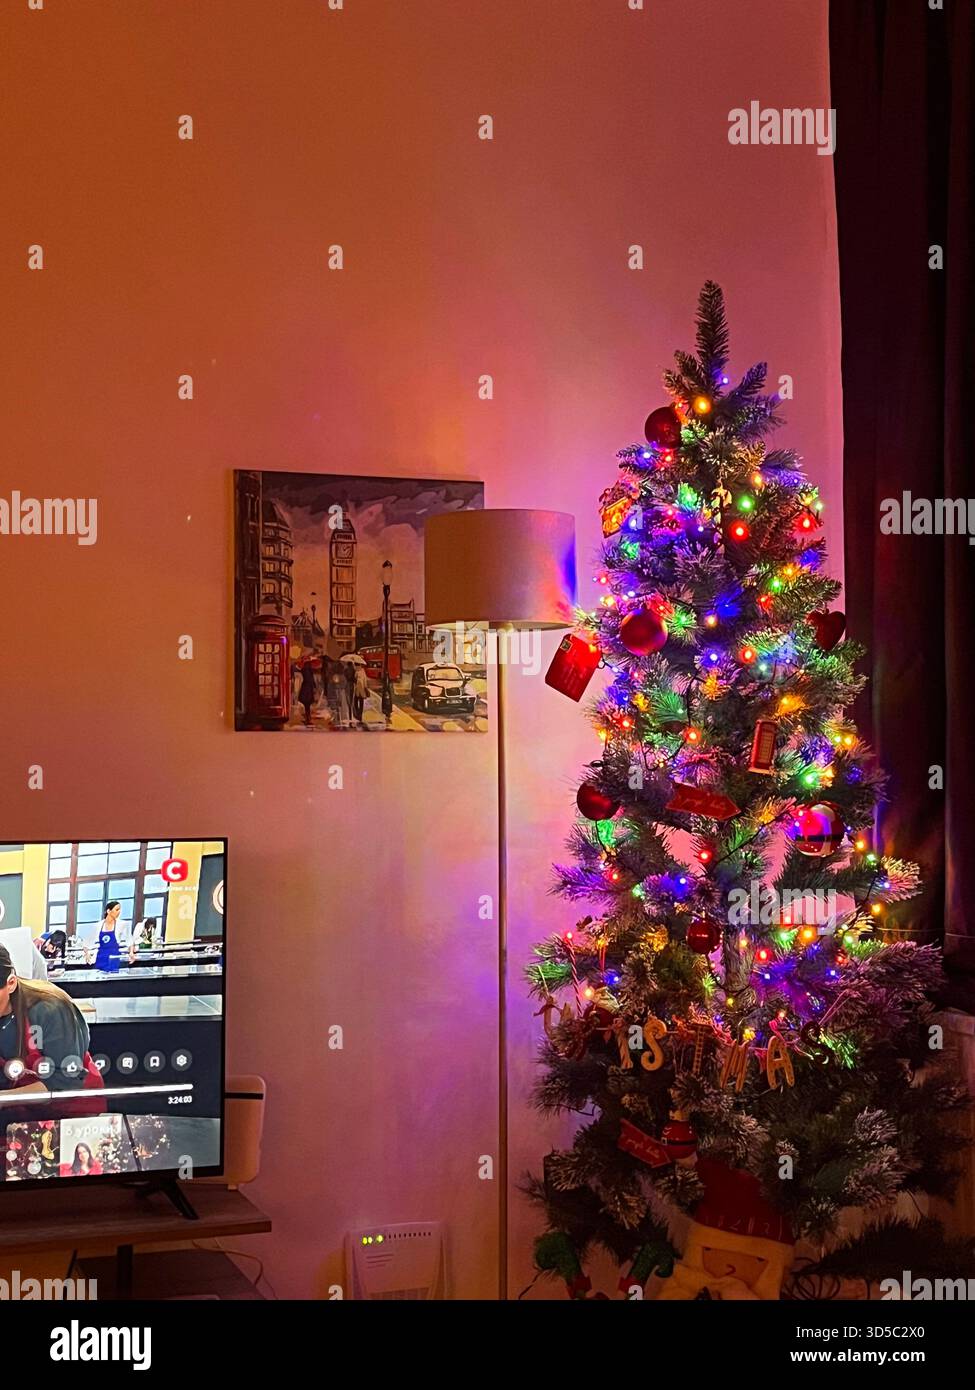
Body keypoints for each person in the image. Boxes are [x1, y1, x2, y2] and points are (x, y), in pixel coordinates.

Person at [0, 943, 106, 1122]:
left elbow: (65, 1081)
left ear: (11, 984)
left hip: (72, 1112)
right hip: (24, 1114)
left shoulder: (50, 1009)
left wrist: (4, 1098)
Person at [298, 659, 317, 726]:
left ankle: (307, 718)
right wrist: (314, 686)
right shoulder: (308, 670)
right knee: (307, 704)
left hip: (305, 687)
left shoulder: (304, 669)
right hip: (308, 689)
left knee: (307, 705)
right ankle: (308, 718)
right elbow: (310, 679)